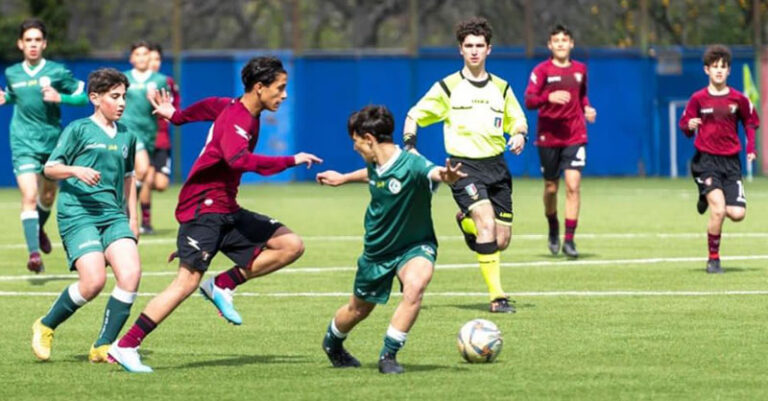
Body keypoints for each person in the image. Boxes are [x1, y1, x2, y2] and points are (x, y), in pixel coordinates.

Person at [108, 56, 322, 373]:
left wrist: (177, 116)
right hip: (203, 209)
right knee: (185, 283)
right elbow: (238, 161)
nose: (285, 94)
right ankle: (125, 346)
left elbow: (209, 105)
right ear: (260, 87)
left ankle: (222, 284)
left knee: (291, 244)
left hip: (227, 208)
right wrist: (289, 160)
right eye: (281, 88)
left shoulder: (237, 106)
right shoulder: (238, 119)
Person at [317, 105, 465, 374]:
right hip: (378, 249)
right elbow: (373, 174)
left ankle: (389, 355)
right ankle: (332, 343)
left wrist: (448, 177)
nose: (355, 148)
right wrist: (344, 178)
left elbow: (433, 173)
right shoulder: (374, 163)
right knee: (358, 309)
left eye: (356, 142)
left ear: (369, 139)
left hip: (415, 245)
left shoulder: (413, 163)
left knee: (416, 286)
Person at [403, 17, 527, 313]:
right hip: (463, 168)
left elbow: (518, 119)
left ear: (489, 49)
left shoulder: (502, 87)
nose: (474, 51)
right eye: (468, 46)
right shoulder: (447, 87)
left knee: (501, 239)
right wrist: (409, 144)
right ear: (460, 49)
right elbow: (414, 115)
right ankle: (497, 297)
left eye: (479, 46)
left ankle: (465, 221)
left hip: (497, 167)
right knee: (486, 222)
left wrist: (520, 134)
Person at [31, 68, 141, 363]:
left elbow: (129, 178)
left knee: (130, 275)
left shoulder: (128, 135)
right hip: (78, 214)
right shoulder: (78, 130)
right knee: (93, 282)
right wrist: (75, 169)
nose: (121, 103)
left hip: (114, 216)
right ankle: (45, 325)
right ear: (94, 98)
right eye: (114, 97)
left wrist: (133, 218)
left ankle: (103, 345)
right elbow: (50, 168)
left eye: (124, 97)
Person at [0, 18, 87, 273]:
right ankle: (34, 255)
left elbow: (83, 97)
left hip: (52, 141)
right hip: (23, 140)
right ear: (20, 44)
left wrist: (62, 97)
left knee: (48, 195)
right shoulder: (12, 73)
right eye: (28, 40)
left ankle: (38, 228)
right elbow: (17, 96)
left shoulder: (58, 72)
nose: (33, 44)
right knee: (29, 195)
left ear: (44, 43)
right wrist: (6, 98)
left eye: (38, 40)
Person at [678, 44, 758, 274]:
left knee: (737, 214)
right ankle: (713, 259)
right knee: (718, 210)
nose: (719, 71)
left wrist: (751, 146)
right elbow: (684, 124)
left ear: (729, 71)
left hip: (731, 163)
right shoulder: (698, 99)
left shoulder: (738, 99)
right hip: (706, 162)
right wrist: (689, 125)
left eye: (723, 67)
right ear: (707, 70)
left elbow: (751, 121)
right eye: (715, 67)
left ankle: (704, 197)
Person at [524, 24, 596, 258]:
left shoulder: (580, 69)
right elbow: (529, 100)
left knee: (573, 186)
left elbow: (582, 95)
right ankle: (553, 226)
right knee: (551, 188)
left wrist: (587, 109)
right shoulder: (542, 71)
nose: (561, 44)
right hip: (548, 136)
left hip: (575, 135)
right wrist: (548, 97)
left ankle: (569, 240)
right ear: (550, 45)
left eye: (565, 40)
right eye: (556, 41)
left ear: (571, 44)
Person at [120, 40, 168, 232]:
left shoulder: (160, 80)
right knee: (142, 169)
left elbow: (165, 107)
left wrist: (155, 99)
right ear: (132, 58)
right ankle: (126, 210)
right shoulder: (124, 78)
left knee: (136, 174)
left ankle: (125, 207)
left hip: (148, 134)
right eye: (137, 54)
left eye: (145, 54)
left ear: (151, 57)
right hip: (127, 130)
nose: (141, 58)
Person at [140, 43, 180, 234]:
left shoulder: (166, 82)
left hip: (161, 138)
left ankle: (135, 189)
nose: (153, 63)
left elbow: (175, 108)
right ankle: (145, 222)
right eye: (150, 58)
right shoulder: (136, 84)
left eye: (157, 59)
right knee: (146, 176)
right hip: (142, 139)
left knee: (161, 184)